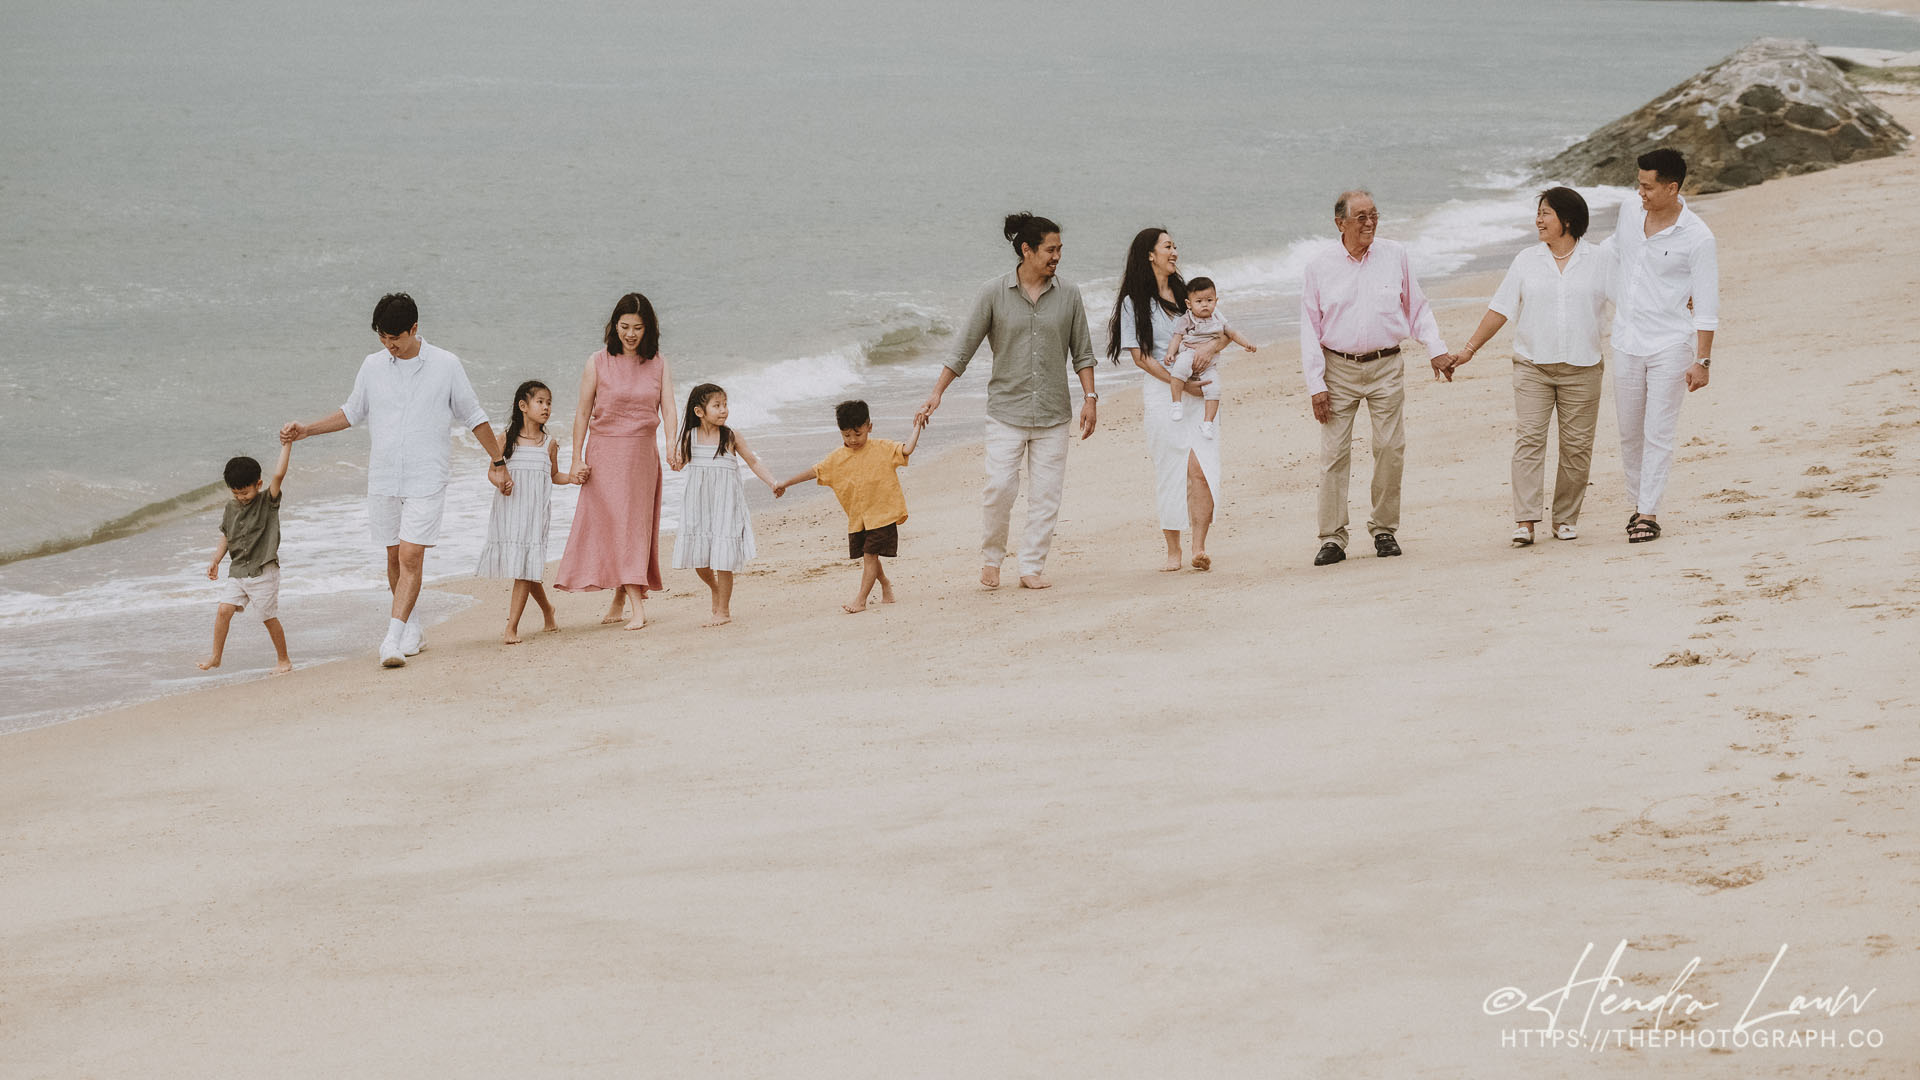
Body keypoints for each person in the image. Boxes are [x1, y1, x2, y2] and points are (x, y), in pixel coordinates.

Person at [281, 292, 511, 668]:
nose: (389, 346)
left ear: (414, 329)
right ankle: (412, 627)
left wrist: (498, 460)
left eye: (396, 338)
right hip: (384, 476)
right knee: (392, 556)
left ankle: (391, 638)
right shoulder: (373, 366)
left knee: (410, 555)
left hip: (427, 475)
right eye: (383, 338)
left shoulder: (446, 365)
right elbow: (352, 412)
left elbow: (473, 415)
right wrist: (307, 429)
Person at [915, 212, 1097, 590]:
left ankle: (1031, 566)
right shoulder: (993, 293)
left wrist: (1090, 397)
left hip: (1053, 412)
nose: (1057, 256)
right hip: (1006, 411)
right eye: (1050, 249)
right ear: (1026, 250)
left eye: (1060, 249)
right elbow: (963, 348)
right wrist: (937, 393)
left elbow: (1082, 352)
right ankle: (992, 558)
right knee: (999, 487)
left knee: (1046, 496)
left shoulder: (1070, 295)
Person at [1442, 188, 1611, 546]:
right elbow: (1501, 309)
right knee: (1530, 440)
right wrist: (1470, 349)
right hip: (1533, 366)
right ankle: (1526, 521)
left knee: (1577, 447)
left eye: (1546, 213)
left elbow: (1632, 296)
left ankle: (1565, 519)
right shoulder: (1526, 260)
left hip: (1583, 368)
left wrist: (1679, 301)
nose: (1538, 219)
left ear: (1567, 220)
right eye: (1539, 212)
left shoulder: (1599, 260)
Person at [1299, 190, 1448, 566]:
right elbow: (1309, 329)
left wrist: (1436, 348)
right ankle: (1332, 538)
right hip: (1338, 369)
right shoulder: (1318, 267)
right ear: (1340, 224)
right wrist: (1316, 385)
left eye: (1374, 215)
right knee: (1334, 454)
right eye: (1361, 217)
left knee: (1390, 448)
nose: (1370, 223)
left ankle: (1384, 529)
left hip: (1386, 365)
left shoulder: (1395, 255)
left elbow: (1417, 307)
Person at [1606, 148, 1718, 544]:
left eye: (1648, 186)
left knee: (1658, 431)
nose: (1641, 193)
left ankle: (1648, 513)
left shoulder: (1698, 238)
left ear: (1672, 188)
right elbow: (1612, 255)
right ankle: (1638, 503)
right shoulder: (1628, 212)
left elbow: (1706, 302)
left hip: (1671, 343)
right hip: (1626, 340)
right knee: (1628, 432)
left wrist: (1702, 360)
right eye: (1638, 184)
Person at [554, 292, 680, 628]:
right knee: (613, 527)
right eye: (625, 326)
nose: (631, 334)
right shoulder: (597, 361)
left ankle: (629, 600)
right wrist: (575, 459)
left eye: (638, 327)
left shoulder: (659, 363)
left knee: (633, 527)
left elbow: (668, 407)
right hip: (604, 453)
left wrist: (672, 445)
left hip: (640, 455)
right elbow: (582, 413)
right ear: (615, 326)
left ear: (648, 329)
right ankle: (630, 599)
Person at [1107, 228, 1229, 572]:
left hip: (1202, 387)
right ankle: (1173, 550)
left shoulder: (1187, 295)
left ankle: (1199, 548)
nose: (1174, 252)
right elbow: (1141, 357)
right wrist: (1179, 382)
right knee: (1171, 469)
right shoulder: (1134, 302)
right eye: (1167, 247)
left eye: (1175, 246)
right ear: (1150, 254)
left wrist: (1208, 349)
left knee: (1201, 468)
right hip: (1165, 393)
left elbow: (1222, 333)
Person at [774, 400, 923, 614]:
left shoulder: (883, 448)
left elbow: (907, 449)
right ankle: (885, 584)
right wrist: (785, 483)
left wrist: (917, 425)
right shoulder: (837, 458)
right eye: (846, 435)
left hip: (882, 514)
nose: (852, 440)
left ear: (869, 427)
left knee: (870, 555)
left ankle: (860, 600)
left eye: (858, 434)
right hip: (858, 517)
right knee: (868, 555)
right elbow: (815, 472)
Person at [474, 380, 579, 644]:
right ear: (523, 406)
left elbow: (554, 475)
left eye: (549, 403)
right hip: (510, 510)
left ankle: (512, 627)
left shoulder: (549, 443)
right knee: (524, 567)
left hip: (535, 513)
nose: (546, 407)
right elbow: (493, 471)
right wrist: (499, 481)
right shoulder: (504, 439)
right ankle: (547, 609)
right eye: (540, 402)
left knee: (524, 567)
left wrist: (575, 477)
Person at [671, 383, 780, 627]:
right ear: (699, 411)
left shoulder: (730, 436)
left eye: (725, 405)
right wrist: (674, 460)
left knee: (723, 559)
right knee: (700, 560)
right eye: (717, 406)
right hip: (698, 506)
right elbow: (679, 465)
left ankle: (723, 611)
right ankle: (715, 588)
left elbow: (753, 461)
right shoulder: (691, 437)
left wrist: (772, 482)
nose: (724, 410)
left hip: (725, 504)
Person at [197, 442, 293, 674]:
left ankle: (284, 660)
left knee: (268, 617)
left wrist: (287, 444)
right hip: (239, 570)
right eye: (236, 492)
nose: (241, 497)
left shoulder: (267, 501)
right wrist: (216, 560)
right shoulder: (231, 507)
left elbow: (279, 474)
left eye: (245, 492)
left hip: (263, 570)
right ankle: (216, 657)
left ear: (258, 484)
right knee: (223, 610)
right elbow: (226, 536)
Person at [1164, 276, 1256, 437]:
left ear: (1216, 301)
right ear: (1189, 304)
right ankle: (1176, 403)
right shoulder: (1187, 318)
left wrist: (1247, 343)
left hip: (1210, 363)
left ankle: (1207, 423)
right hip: (1189, 353)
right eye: (1199, 301)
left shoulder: (1218, 318)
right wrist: (1171, 353)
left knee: (1214, 389)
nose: (1204, 304)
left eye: (1209, 300)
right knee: (1179, 369)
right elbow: (1177, 337)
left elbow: (1232, 333)